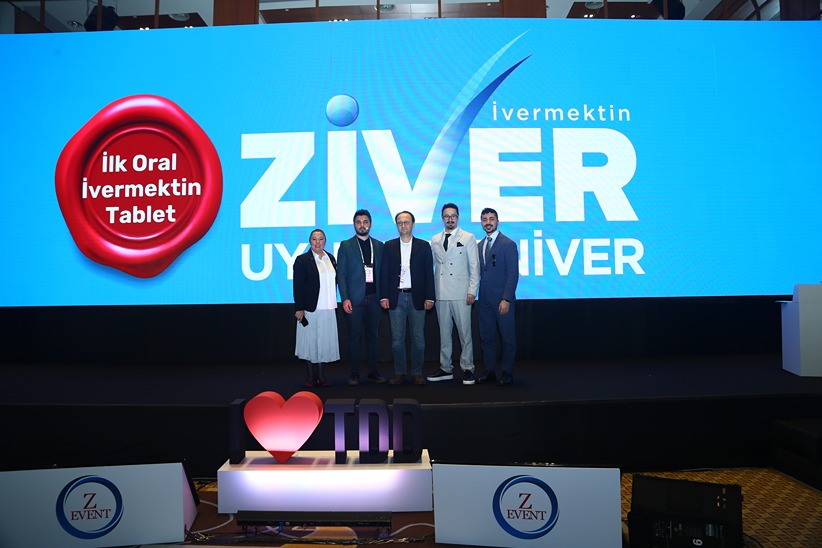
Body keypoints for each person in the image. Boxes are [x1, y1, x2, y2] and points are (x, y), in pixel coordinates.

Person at [426, 203, 480, 385]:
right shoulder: (435, 239)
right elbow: (430, 266)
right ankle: (445, 367)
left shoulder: (468, 237)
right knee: (444, 334)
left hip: (461, 292)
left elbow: (474, 266)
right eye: (446, 216)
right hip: (441, 291)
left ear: (458, 217)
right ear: (442, 218)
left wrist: (472, 291)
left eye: (453, 216)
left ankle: (468, 367)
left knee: (465, 334)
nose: (450, 219)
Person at [380, 211, 435, 385]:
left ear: (413, 224)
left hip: (417, 297)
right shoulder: (389, 246)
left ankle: (417, 372)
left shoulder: (423, 246)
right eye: (400, 222)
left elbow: (429, 273)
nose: (403, 225)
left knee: (418, 339)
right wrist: (383, 296)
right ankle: (400, 372)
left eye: (406, 222)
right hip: (396, 297)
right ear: (396, 225)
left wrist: (430, 297)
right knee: (397, 340)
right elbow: (384, 272)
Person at [336, 209, 387, 386]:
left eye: (365, 222)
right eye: (358, 222)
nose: (362, 225)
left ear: (370, 224)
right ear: (354, 225)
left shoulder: (379, 246)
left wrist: (384, 296)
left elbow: (384, 273)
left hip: (375, 298)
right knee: (354, 337)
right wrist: (345, 298)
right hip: (354, 300)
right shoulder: (346, 245)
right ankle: (354, 374)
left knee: (373, 337)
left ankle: (373, 372)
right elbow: (341, 274)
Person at [476, 208, 519, 386]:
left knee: (507, 338)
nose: (488, 222)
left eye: (491, 219)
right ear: (481, 222)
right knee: (486, 338)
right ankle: (490, 371)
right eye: (484, 219)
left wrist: (506, 298)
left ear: (498, 221)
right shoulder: (479, 245)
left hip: (502, 299)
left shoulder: (508, 244)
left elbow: (513, 274)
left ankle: (507, 372)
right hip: (484, 300)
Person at [293, 228, 339, 387]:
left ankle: (321, 373)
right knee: (309, 342)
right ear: (309, 241)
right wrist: (299, 308)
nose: (317, 242)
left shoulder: (331, 258)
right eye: (314, 239)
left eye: (321, 239)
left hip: (328, 307)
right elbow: (297, 286)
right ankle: (310, 375)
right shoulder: (302, 260)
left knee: (324, 342)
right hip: (310, 308)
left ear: (325, 241)